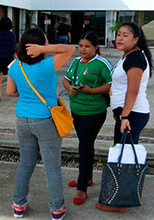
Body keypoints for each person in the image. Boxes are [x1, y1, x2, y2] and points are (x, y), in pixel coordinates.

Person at [7, 28, 75, 220]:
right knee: (51, 167)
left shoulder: (15, 66)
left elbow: (11, 92)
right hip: (45, 120)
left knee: (25, 164)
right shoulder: (47, 65)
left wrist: (29, 97)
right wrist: (45, 48)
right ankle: (56, 209)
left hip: (22, 119)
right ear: (38, 45)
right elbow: (69, 49)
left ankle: (18, 205)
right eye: (44, 41)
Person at [96, 22, 152, 212]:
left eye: (125, 35)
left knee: (124, 160)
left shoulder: (135, 58)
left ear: (136, 39)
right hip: (128, 113)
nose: (119, 38)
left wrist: (125, 116)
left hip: (132, 114)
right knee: (123, 156)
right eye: (118, 34)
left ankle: (120, 202)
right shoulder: (128, 56)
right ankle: (121, 196)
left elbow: (133, 91)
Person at [63, 31, 113, 205]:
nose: (82, 50)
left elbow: (111, 84)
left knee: (84, 147)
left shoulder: (101, 63)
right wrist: (69, 88)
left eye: (87, 46)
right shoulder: (76, 62)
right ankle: (88, 178)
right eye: (81, 46)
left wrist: (92, 91)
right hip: (76, 110)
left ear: (96, 47)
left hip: (94, 112)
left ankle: (82, 188)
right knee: (86, 145)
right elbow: (66, 79)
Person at [0, 16, 16, 101]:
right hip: (8, 57)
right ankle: (11, 91)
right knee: (11, 75)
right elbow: (13, 48)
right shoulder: (12, 35)